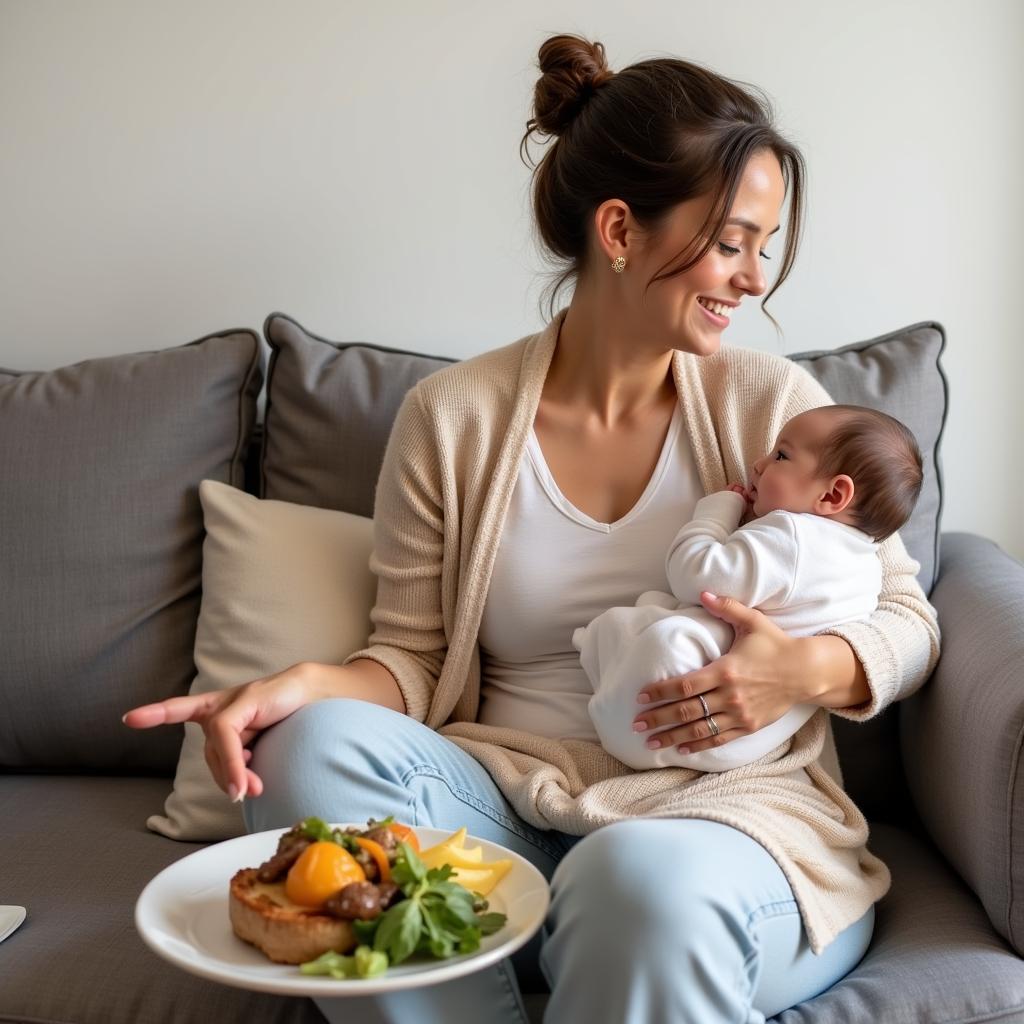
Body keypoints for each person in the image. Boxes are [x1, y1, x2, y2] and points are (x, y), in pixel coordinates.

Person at [124, 32, 940, 1023]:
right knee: (305, 747)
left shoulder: (776, 410)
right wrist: (302, 683)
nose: (753, 276)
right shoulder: (452, 416)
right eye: (731, 242)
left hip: (721, 821)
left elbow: (906, 611)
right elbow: (410, 658)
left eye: (762, 247)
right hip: (503, 808)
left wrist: (804, 672)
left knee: (633, 882)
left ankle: (603, 925)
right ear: (619, 229)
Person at [576, 404, 924, 772]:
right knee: (653, 613)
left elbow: (694, 575)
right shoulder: (866, 567)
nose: (758, 463)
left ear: (833, 495)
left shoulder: (792, 534)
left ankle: (596, 657)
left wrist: (715, 514)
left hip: (668, 713)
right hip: (749, 742)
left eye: (781, 455)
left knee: (647, 630)